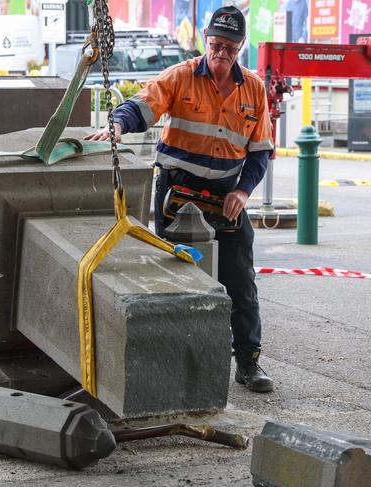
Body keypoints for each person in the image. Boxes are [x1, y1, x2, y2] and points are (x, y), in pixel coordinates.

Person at [85, 6, 274, 393]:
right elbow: (143, 105)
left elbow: (259, 151)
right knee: (175, 274)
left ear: (240, 48)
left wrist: (242, 191)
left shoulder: (253, 89)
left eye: (230, 48)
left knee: (240, 278)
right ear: (206, 41)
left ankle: (249, 361)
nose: (221, 54)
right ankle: (170, 359)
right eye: (216, 45)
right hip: (178, 189)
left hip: (225, 195)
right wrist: (118, 125)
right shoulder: (181, 76)